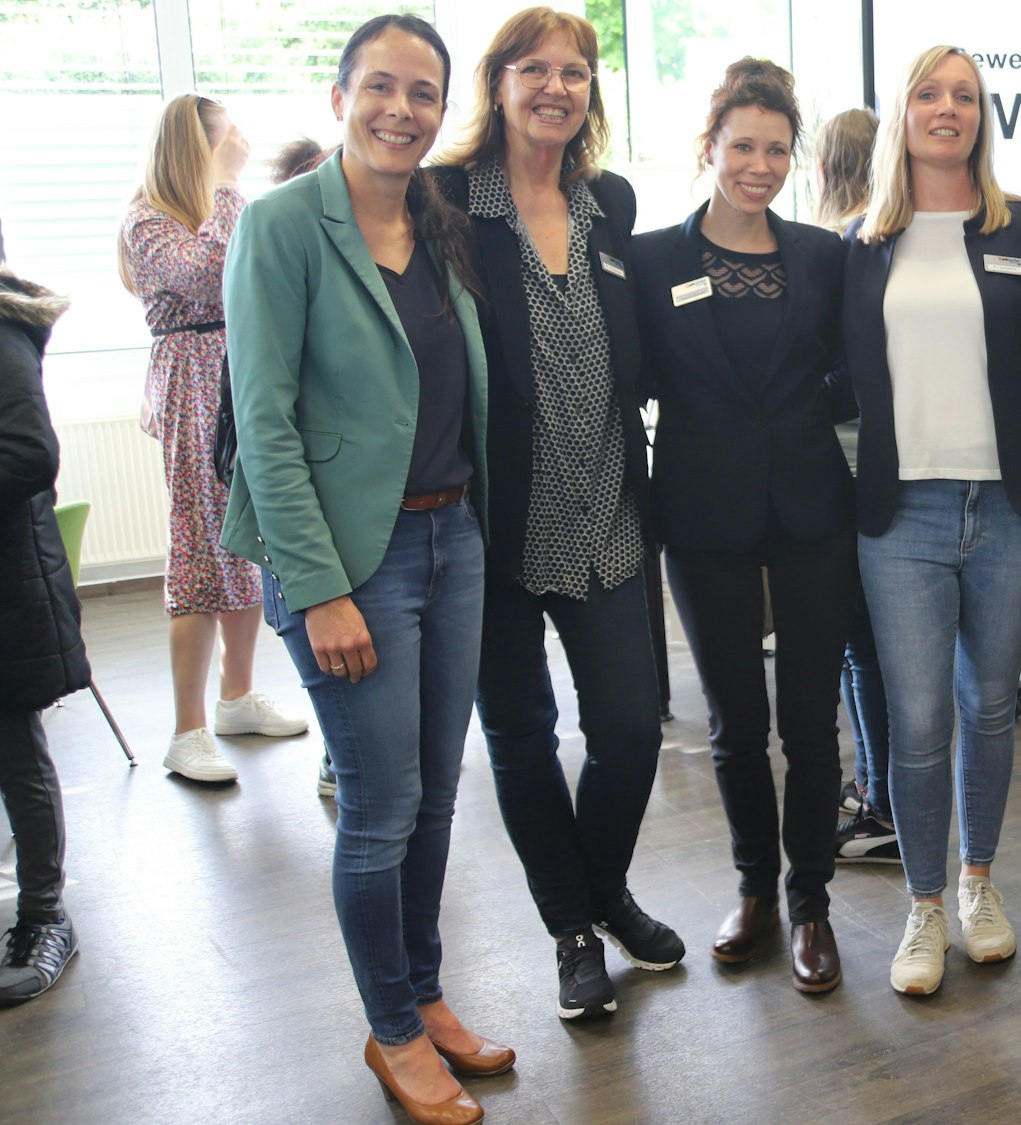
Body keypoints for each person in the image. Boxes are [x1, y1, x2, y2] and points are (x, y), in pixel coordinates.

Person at [222, 16, 511, 1124]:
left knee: (435, 796)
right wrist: (323, 585)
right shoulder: (283, 227)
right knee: (381, 804)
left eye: (423, 92)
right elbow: (265, 422)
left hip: (454, 539)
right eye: (381, 87)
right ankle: (391, 1030)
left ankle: (425, 997)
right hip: (351, 557)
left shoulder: (436, 223)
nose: (402, 109)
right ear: (340, 94)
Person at [433, 5, 680, 1024]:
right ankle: (573, 928)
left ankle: (603, 886)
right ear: (497, 84)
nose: (554, 89)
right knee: (523, 736)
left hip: (612, 506)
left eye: (573, 73)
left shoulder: (608, 202)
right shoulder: (447, 200)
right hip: (495, 521)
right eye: (532, 69)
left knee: (627, 729)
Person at [629, 58, 853, 995]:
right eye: (742, 146)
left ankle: (812, 903)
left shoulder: (823, 256)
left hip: (810, 508)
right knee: (732, 721)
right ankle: (754, 888)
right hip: (704, 510)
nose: (759, 164)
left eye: (775, 149)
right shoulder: (652, 261)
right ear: (709, 148)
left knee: (809, 719)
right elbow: (629, 382)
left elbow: (851, 374)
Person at [845, 46, 1021, 996]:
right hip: (903, 513)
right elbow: (834, 380)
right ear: (903, 113)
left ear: (984, 115)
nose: (948, 109)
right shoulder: (857, 244)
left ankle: (980, 882)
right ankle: (923, 903)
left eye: (964, 96)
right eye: (929, 94)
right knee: (921, 716)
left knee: (988, 705)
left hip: (1011, 507)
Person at [119, 94, 309, 785]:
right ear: (193, 146)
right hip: (192, 382)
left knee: (246, 541)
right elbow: (211, 275)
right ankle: (186, 729)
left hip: (235, 372)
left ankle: (235, 696)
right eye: (229, 138)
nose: (243, 145)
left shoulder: (213, 209)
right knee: (200, 550)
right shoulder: (148, 218)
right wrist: (228, 185)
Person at [0, 224, 85, 1008]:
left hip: (9, 586)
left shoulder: (5, 329)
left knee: (16, 756)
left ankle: (42, 915)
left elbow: (30, 452)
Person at [813, 106, 899, 867]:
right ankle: (877, 791)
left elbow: (850, 380)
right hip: (865, 466)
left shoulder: (845, 247)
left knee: (863, 651)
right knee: (864, 650)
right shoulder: (864, 243)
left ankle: (882, 803)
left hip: (849, 468)